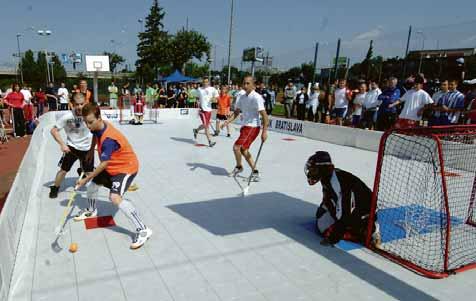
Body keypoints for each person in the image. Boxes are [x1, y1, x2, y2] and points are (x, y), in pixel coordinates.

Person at [76, 102, 152, 249]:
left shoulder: (109, 139)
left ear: (99, 118)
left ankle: (143, 230)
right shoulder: (98, 126)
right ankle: (92, 210)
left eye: (90, 122)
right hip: (113, 165)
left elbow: (103, 164)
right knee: (93, 186)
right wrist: (91, 150)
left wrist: (86, 178)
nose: (88, 126)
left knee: (114, 198)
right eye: (86, 122)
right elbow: (94, 135)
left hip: (125, 167)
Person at [304, 151, 381, 247]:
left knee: (324, 228)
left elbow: (345, 214)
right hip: (352, 206)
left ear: (323, 169)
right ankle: (354, 227)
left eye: (314, 170)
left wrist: (333, 238)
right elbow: (328, 199)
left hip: (364, 213)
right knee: (321, 215)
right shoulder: (328, 177)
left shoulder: (339, 183)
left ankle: (368, 231)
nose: (310, 173)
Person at [222, 76, 269, 181]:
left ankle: (239, 167)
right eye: (244, 83)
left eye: (248, 83)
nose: (245, 85)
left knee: (236, 147)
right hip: (245, 127)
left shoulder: (257, 97)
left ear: (253, 85)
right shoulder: (241, 97)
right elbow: (236, 113)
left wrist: (264, 132)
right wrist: (227, 122)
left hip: (253, 127)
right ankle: (255, 172)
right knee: (243, 150)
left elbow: (265, 117)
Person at [49, 93, 95, 198]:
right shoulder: (67, 116)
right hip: (72, 148)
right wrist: (62, 145)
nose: (79, 107)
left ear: (86, 103)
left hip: (87, 148)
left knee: (89, 173)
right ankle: (55, 187)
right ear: (72, 104)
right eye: (77, 104)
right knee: (63, 170)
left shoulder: (90, 114)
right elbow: (53, 130)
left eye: (82, 104)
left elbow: (98, 128)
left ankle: (82, 170)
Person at [193, 78, 217, 147]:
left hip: (209, 110)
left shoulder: (212, 89)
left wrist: (214, 99)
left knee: (205, 125)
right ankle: (210, 141)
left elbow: (216, 97)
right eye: (204, 82)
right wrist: (198, 104)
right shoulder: (199, 89)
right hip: (202, 110)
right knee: (206, 126)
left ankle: (196, 130)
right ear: (202, 82)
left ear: (208, 82)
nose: (205, 83)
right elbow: (197, 98)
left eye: (206, 82)